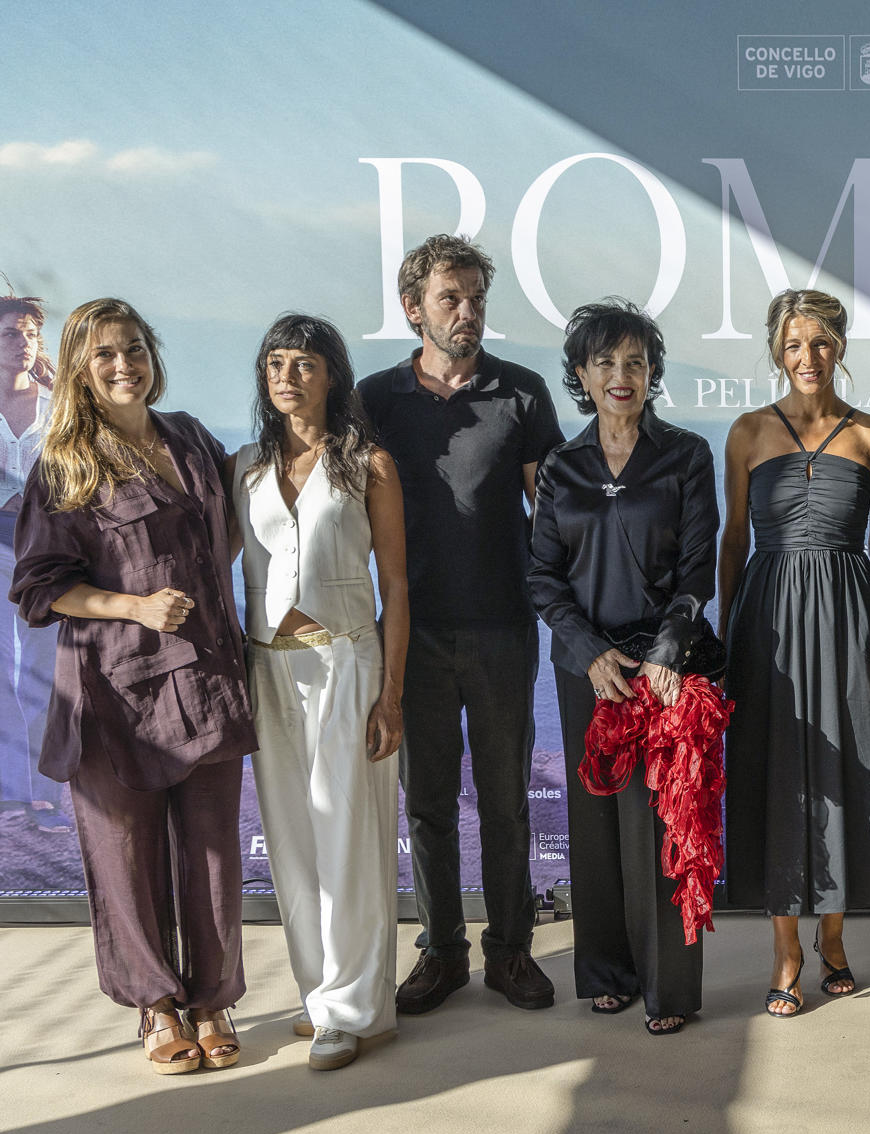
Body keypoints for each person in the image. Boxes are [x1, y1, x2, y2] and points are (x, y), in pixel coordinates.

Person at [8, 298, 255, 1073]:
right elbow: (42, 587)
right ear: (80, 366)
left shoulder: (190, 438)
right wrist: (136, 606)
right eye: (107, 353)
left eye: (136, 349)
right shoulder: (65, 462)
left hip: (207, 681)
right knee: (124, 852)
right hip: (112, 689)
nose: (125, 365)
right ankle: (155, 1006)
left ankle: (211, 999)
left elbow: (230, 532)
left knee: (213, 850)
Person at [358, 236, 564, 1016]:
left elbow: (550, 512)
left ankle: (510, 950)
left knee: (507, 800)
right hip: (411, 635)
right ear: (414, 309)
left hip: (505, 628)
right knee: (428, 803)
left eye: (476, 297)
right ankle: (441, 952)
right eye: (451, 298)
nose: (468, 312)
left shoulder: (523, 392)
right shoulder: (374, 399)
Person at [528, 299, 717, 1035]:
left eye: (635, 362)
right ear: (581, 374)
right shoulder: (562, 467)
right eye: (604, 362)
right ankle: (606, 971)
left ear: (651, 372)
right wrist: (586, 651)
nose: (621, 375)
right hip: (588, 670)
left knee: (662, 827)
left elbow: (698, 569)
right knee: (597, 824)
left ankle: (669, 989)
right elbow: (543, 576)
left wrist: (665, 653)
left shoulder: (685, 456)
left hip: (663, 670)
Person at [718, 289, 870, 1017]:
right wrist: (726, 636)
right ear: (775, 349)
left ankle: (835, 937)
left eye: (822, 343)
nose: (808, 358)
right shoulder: (746, 433)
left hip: (850, 618)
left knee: (847, 771)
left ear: (841, 348)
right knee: (775, 776)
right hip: (766, 623)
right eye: (794, 345)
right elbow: (735, 542)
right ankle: (786, 949)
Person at [234, 315, 408, 1069]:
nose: (287, 376)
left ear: (331, 375)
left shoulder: (369, 464)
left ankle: (355, 1008)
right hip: (267, 666)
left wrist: (391, 694)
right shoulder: (241, 465)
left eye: (303, 363)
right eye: (276, 363)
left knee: (349, 837)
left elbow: (397, 586)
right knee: (294, 844)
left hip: (345, 661)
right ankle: (320, 996)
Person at [0, 292, 64, 830]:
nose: (22, 344)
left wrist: (61, 383)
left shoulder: (58, 404)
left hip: (47, 553)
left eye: (30, 334)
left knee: (43, 674)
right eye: (10, 334)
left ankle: (46, 794)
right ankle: (9, 793)